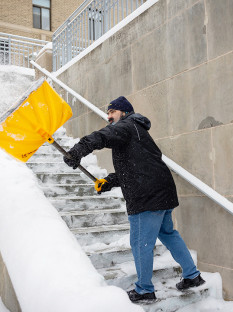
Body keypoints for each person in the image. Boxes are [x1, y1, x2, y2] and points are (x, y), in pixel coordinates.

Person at [63, 96, 205, 303]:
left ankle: (145, 289)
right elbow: (135, 169)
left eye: (112, 111)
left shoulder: (126, 126)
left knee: (140, 243)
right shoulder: (138, 130)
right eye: (108, 112)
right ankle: (192, 276)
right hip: (161, 192)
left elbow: (100, 137)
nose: (108, 116)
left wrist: (77, 151)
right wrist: (109, 181)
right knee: (168, 233)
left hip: (146, 196)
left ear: (124, 112)